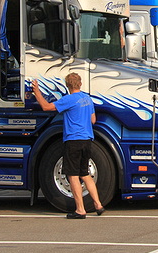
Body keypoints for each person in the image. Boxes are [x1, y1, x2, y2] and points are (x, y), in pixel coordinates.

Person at [32, 73, 105, 219]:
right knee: (85, 174)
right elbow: (93, 120)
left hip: (73, 140)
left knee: (72, 175)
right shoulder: (87, 99)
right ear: (80, 84)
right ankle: (98, 204)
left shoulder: (68, 99)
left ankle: (80, 210)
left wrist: (37, 92)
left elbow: (46, 107)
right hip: (87, 140)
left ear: (67, 85)